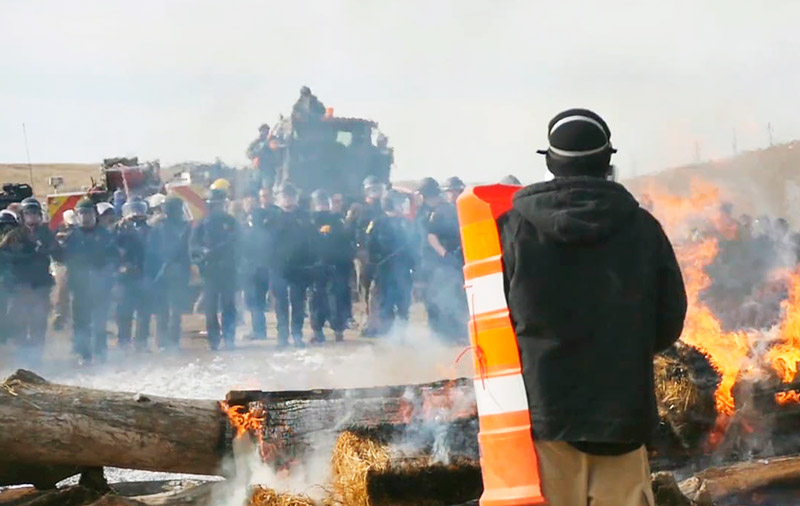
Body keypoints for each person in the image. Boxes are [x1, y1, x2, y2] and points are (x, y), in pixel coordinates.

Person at [496, 109, 687, 506]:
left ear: (549, 163)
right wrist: (625, 349)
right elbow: (670, 321)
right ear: (608, 164)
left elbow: (495, 322)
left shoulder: (512, 229)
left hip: (545, 409)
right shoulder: (643, 228)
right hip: (622, 409)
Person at [0, 198, 58, 362]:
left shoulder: (45, 234)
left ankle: (36, 358)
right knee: (20, 322)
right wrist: (26, 256)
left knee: (39, 323)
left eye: (35, 213)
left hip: (41, 286)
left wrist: (52, 248)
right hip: (21, 286)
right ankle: (23, 356)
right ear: (22, 216)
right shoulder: (14, 235)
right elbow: (3, 256)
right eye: (28, 214)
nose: (32, 217)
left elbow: (59, 254)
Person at [61, 198, 118, 364]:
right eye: (82, 213)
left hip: (101, 286)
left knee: (100, 322)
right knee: (81, 322)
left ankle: (100, 353)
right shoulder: (71, 236)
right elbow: (66, 259)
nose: (86, 217)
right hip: (80, 287)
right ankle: (83, 354)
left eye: (89, 213)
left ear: (95, 215)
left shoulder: (105, 235)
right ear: (77, 216)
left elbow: (113, 258)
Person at [191, 188, 240, 351]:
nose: (218, 207)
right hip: (210, 272)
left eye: (220, 204)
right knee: (210, 308)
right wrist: (203, 254)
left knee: (228, 306)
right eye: (215, 204)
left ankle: (229, 337)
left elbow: (238, 243)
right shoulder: (202, 224)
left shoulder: (231, 222)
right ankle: (214, 339)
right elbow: (193, 247)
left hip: (227, 270)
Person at [366, 190, 417, 336]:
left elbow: (414, 248)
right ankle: (388, 336)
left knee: (403, 305)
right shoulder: (377, 224)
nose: (402, 206)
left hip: (403, 271)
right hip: (384, 271)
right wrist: (375, 265)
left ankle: (401, 336)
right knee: (386, 305)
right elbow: (370, 247)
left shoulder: (407, 223)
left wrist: (415, 267)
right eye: (400, 203)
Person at [271, 183, 314, 348]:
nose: (288, 198)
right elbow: (267, 242)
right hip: (278, 267)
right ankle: (282, 337)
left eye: (291, 195)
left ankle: (297, 335)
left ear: (296, 197)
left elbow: (312, 241)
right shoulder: (273, 216)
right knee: (280, 304)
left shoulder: (304, 217)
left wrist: (312, 264)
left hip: (299, 266)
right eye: (285, 195)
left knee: (298, 303)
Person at [145, 197, 191, 351]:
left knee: (175, 311)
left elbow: (188, 251)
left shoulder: (185, 228)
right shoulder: (159, 229)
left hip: (177, 273)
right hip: (162, 274)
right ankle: (163, 341)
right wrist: (155, 271)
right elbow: (151, 252)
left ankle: (172, 341)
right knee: (163, 311)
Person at [309, 189, 353, 343]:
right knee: (316, 299)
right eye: (319, 203)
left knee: (336, 298)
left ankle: (338, 330)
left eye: (325, 202)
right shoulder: (310, 221)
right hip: (316, 266)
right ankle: (317, 330)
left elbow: (346, 242)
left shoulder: (337, 220)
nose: (322, 206)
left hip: (336, 265)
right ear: (314, 204)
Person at [426, 187, 468, 343]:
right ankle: (445, 335)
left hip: (462, 260)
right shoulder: (440, 212)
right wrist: (444, 254)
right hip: (446, 261)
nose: (453, 195)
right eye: (451, 192)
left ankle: (460, 332)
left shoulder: (466, 208)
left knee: (460, 297)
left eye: (456, 191)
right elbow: (432, 236)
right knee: (445, 296)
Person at [241, 187, 281, 341]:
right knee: (256, 299)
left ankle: (268, 331)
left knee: (263, 299)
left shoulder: (275, 215)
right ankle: (259, 330)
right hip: (258, 266)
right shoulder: (258, 219)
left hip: (265, 265)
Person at [114, 197, 153, 351]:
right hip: (125, 277)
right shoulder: (119, 230)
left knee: (144, 312)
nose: (136, 214)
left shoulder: (149, 230)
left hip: (144, 275)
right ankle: (123, 341)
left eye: (139, 210)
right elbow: (112, 250)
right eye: (132, 211)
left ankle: (142, 342)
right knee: (124, 311)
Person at [354, 176, 387, 336]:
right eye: (372, 189)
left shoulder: (385, 208)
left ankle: (379, 322)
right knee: (365, 290)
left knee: (380, 290)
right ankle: (367, 321)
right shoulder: (359, 210)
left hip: (382, 256)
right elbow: (353, 232)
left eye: (378, 189)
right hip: (364, 256)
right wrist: (360, 252)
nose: (375, 193)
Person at [0, 210, 19, 344]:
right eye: (3, 227)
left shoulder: (20, 240)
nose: (7, 230)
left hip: (18, 282)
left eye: (9, 227)